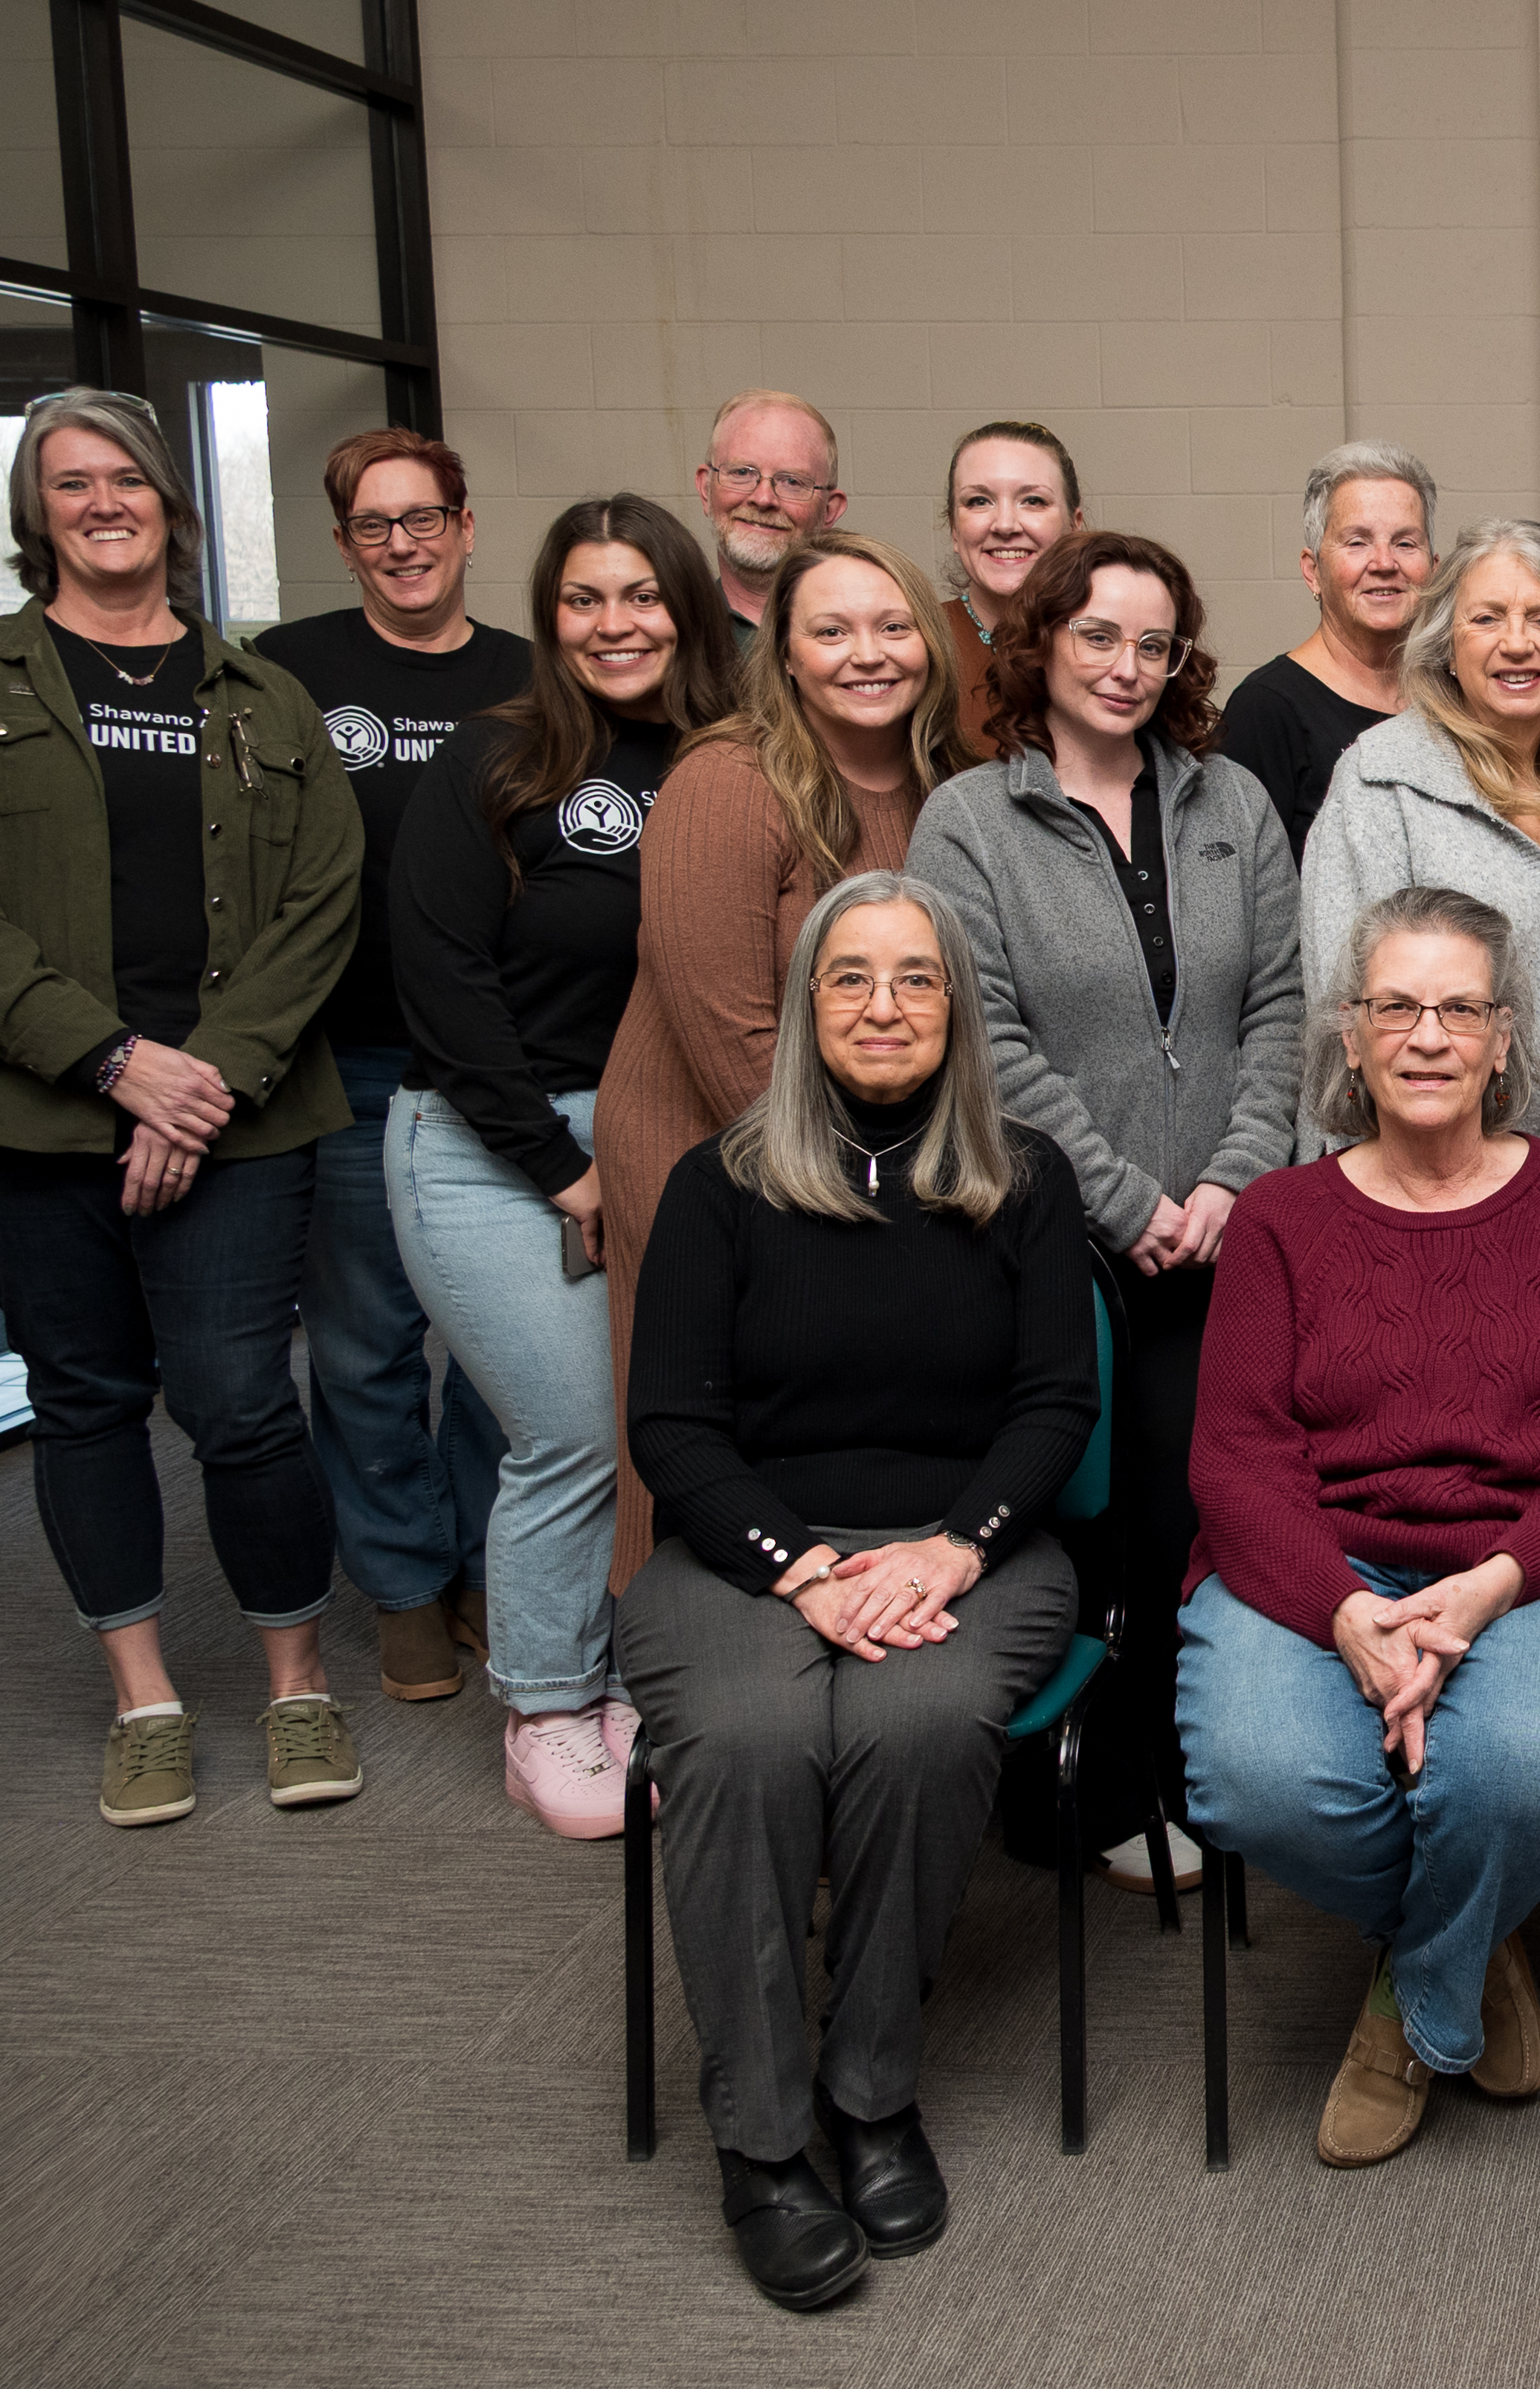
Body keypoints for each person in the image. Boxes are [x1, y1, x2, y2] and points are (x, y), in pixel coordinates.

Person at [0, 386, 367, 1823]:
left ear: (169, 501)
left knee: (239, 1400)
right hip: (18, 1122)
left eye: (127, 478)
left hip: (234, 1113)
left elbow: (322, 900)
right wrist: (111, 1062)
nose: (103, 502)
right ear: (38, 512)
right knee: (83, 1395)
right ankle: (144, 1701)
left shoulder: (260, 694)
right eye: (72, 482)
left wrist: (195, 1084)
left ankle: (297, 1686)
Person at [616, 872, 1092, 2310]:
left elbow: (1055, 1405)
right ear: (806, 1005)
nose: (884, 1006)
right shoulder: (719, 1185)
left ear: (957, 1007)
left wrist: (955, 1546)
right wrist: (802, 1568)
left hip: (969, 1547)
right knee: (750, 1739)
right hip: (747, 1550)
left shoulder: (1025, 1177)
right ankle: (762, 2141)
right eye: (851, 977)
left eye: (916, 977)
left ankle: (871, 2091)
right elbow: (672, 1427)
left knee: (914, 1726)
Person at [1180, 887, 1540, 2170]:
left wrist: (1494, 1584)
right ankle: (1473, 1935)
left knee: (1513, 1772)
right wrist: (1345, 1610)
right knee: (1257, 1778)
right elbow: (1235, 1458)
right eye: (1396, 1006)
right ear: (1350, 1035)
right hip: (1321, 1561)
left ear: (1506, 1038)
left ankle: (1412, 2005)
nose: (1428, 1035)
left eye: (1460, 1007)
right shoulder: (1280, 1218)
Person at [910, 526, 1304, 1899]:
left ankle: (1198, 1777)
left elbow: (1281, 1005)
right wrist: (1127, 1197)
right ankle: (1077, 1799)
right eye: (1097, 636)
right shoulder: (969, 820)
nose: (1126, 666)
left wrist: (1232, 1177)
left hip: (1224, 1236)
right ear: (1042, 643)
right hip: (1050, 1238)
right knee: (1074, 1516)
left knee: (1192, 1510)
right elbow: (987, 1035)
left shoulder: (1232, 802)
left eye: (1154, 643)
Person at [388, 494, 744, 1837]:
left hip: (675, 1136)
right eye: (585, 599)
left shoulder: (732, 756)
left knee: (672, 1425)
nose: (615, 624)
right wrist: (563, 1165)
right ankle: (544, 1700)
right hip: (494, 1144)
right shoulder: (497, 757)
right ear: (550, 617)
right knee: (577, 1430)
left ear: (688, 609)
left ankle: (629, 1684)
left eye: (641, 595)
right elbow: (443, 982)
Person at [597, 529, 971, 1583]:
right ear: (788, 653)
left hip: (866, 1149)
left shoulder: (947, 783)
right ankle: (665, 1651)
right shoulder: (730, 778)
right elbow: (728, 1029)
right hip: (707, 1138)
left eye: (893, 626)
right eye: (833, 630)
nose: (869, 653)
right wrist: (857, 1187)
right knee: (699, 1413)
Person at [252, 427, 532, 1702]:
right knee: (365, 1342)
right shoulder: (287, 672)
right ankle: (405, 1585)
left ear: (466, 528)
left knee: (496, 1339)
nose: (405, 545)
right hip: (353, 1059)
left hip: (502, 1060)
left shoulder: (532, 679)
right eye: (376, 525)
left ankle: (480, 1563)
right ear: (344, 542)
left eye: (426, 519)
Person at [1298, 520, 1540, 1194]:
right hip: (1424, 1198)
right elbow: (1350, 1015)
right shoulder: (1381, 784)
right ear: (1446, 645)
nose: (1517, 643)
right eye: (1487, 618)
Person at [1218, 440, 1434, 858]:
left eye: (1406, 544)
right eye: (1357, 542)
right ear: (1313, 571)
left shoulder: (1458, 698)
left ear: (1434, 569)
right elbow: (1237, 877)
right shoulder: (1264, 711)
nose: (1384, 563)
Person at [933, 418, 1085, 754]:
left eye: (1033, 501)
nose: (1005, 525)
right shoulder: (918, 641)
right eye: (979, 501)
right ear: (954, 530)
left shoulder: (1110, 642)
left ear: (1074, 526)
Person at [694, 389, 849, 633]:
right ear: (706, 490)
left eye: (792, 482)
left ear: (829, 510)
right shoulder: (669, 635)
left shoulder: (872, 639)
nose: (763, 499)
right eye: (741, 473)